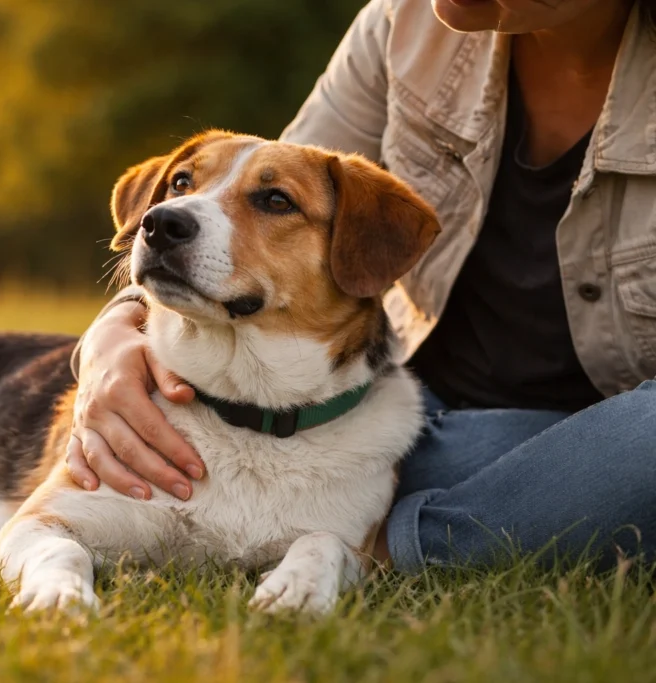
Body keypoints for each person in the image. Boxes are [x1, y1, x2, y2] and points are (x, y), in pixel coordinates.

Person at [66, 0, 656, 573]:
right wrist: (115, 330)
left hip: (601, 429)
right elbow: (271, 187)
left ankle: (376, 547)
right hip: (401, 418)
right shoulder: (403, 20)